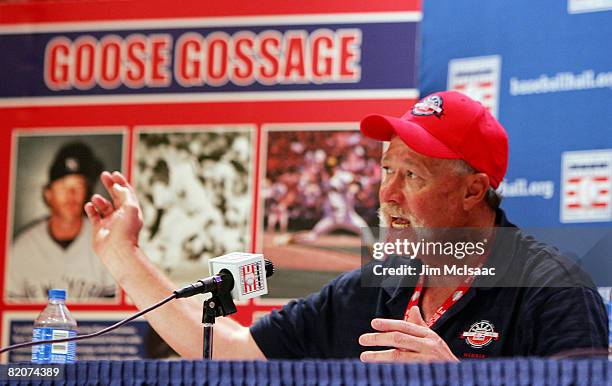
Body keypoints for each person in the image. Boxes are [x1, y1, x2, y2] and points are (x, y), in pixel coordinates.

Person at [84, 91, 608, 361]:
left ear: (474, 190)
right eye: (385, 170)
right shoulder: (376, 284)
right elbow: (237, 349)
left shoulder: (552, 289)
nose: (387, 193)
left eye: (412, 175)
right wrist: (124, 260)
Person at [7, 142, 117, 301]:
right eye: (63, 186)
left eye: (78, 187)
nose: (71, 194)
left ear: (87, 194)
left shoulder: (105, 242)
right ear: (48, 194)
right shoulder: (22, 249)